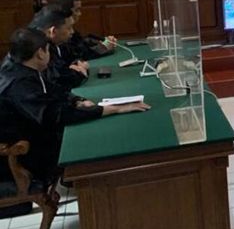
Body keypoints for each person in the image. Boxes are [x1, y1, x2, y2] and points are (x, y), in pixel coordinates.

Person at [0, 28, 150, 184]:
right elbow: (57, 115)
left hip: (37, 137)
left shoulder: (22, 68)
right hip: (22, 155)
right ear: (40, 53)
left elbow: (53, 90)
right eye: (48, 50)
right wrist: (113, 109)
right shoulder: (20, 84)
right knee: (99, 141)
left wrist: (77, 100)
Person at [28, 5, 88, 91]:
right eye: (69, 28)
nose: (72, 32)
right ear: (53, 31)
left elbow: (60, 68)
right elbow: (57, 82)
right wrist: (80, 72)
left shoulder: (47, 41)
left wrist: (75, 65)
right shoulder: (38, 48)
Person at [52, 0, 116, 60]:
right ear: (65, 11)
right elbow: (77, 54)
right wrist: (104, 47)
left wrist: (102, 43)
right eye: (77, 10)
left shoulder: (70, 29)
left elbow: (80, 43)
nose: (80, 14)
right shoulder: (58, 32)